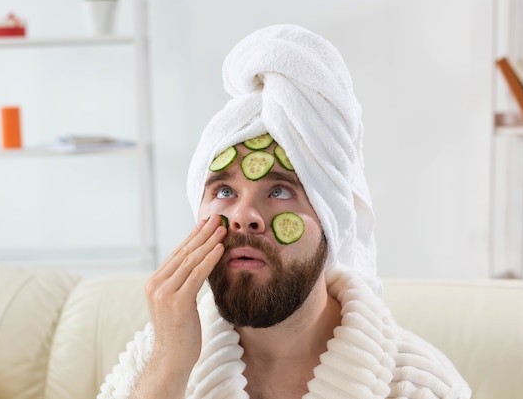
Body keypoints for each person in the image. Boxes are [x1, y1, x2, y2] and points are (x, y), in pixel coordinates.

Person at [97, 24, 471, 399]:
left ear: (330, 221)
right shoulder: (153, 361)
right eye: (224, 190)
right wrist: (168, 370)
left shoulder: (419, 386)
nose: (244, 215)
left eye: (279, 191)